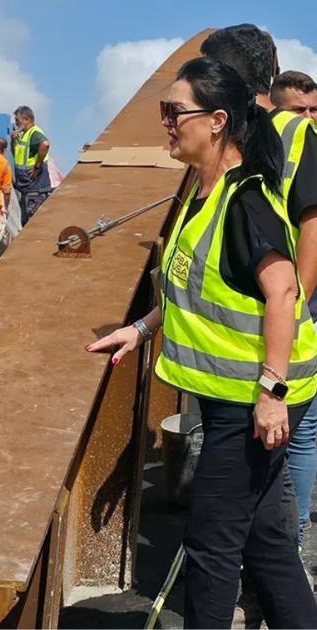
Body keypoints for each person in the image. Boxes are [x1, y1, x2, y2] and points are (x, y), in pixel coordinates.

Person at [86, 57, 317, 629]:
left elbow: (284, 291)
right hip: (234, 396)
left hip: (252, 400)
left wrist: (272, 393)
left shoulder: (245, 202)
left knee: (212, 544)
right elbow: (194, 287)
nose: (166, 123)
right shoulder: (203, 193)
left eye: (174, 112)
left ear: (217, 121)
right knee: (265, 539)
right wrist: (142, 328)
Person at [203, 24, 317, 556]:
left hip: (284, 306)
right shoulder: (236, 132)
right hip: (258, 310)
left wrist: (295, 307)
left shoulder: (290, 132)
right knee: (277, 450)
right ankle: (275, 556)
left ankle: (286, 546)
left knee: (295, 438)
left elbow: (312, 227)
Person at [11, 106, 53, 226]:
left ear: (26, 119)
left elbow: (45, 144)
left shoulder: (34, 133)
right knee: (26, 226)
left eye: (17, 120)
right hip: (27, 190)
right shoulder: (24, 135)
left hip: (35, 191)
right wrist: (13, 141)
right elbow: (16, 155)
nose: (16, 123)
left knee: (34, 225)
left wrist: (37, 168)